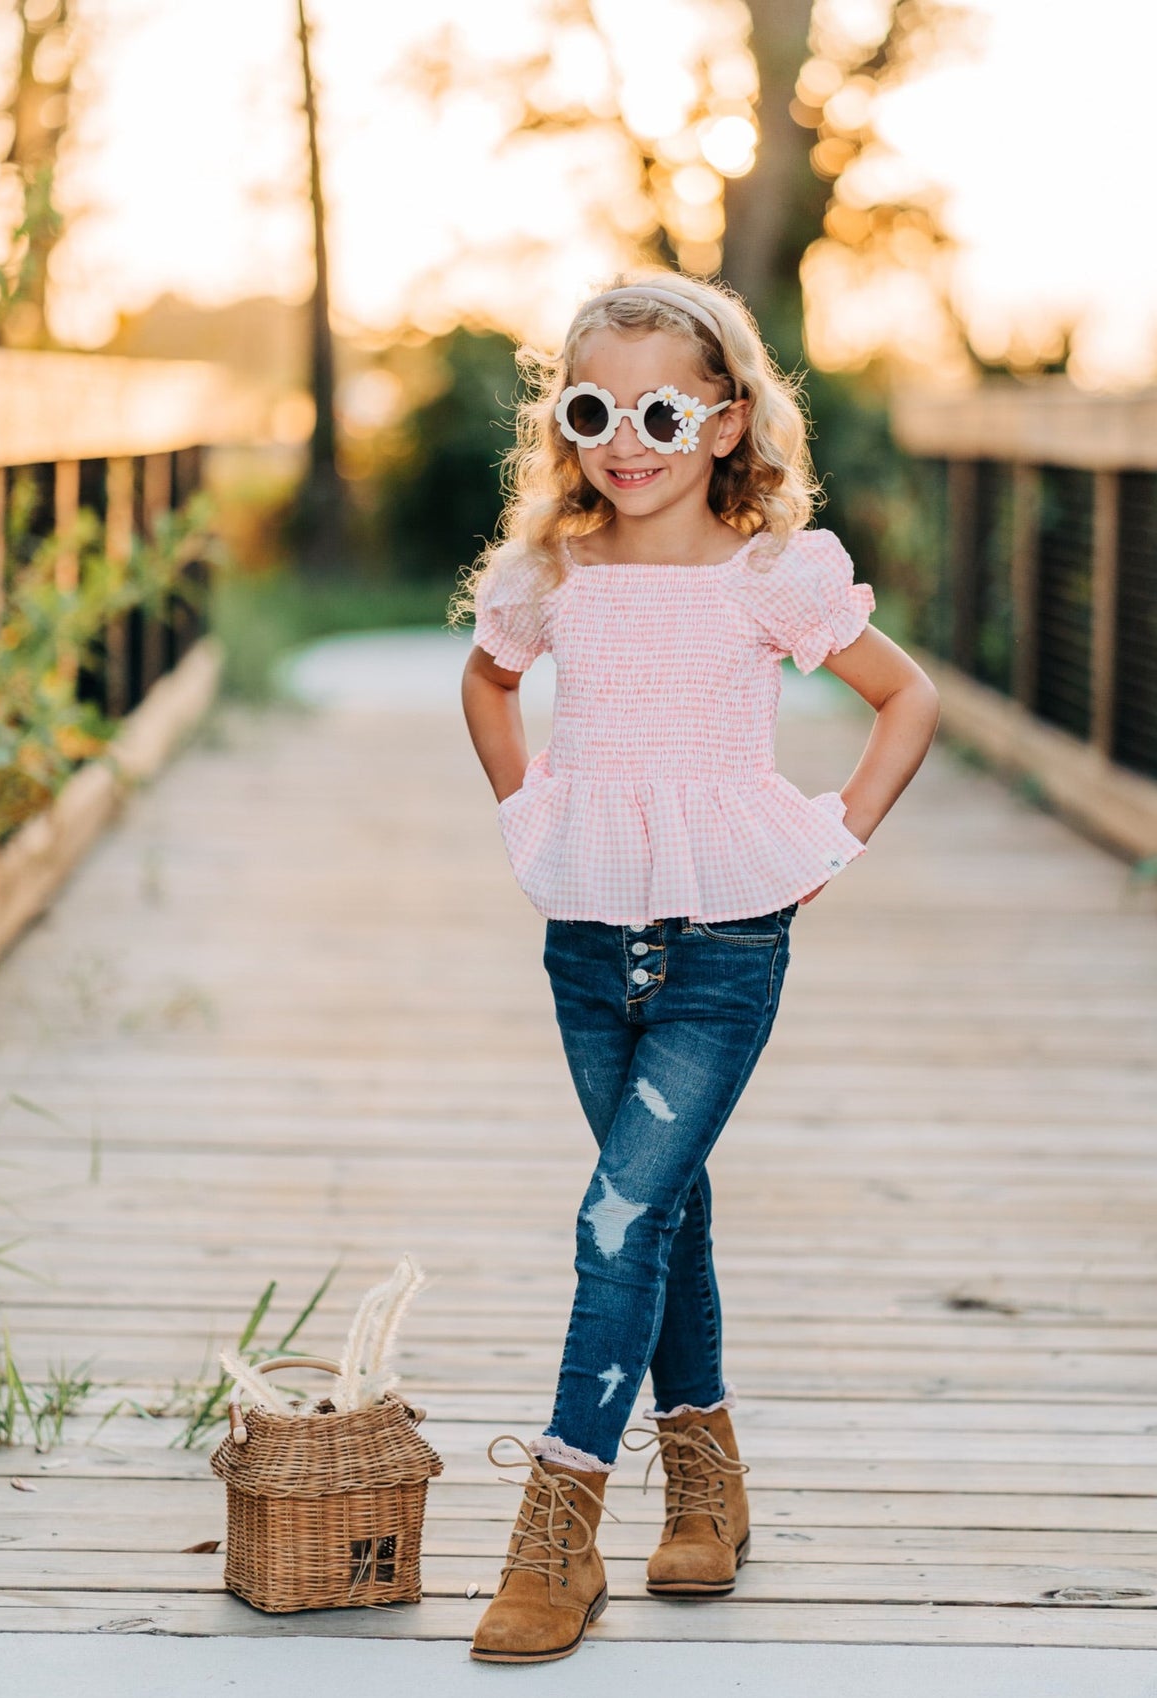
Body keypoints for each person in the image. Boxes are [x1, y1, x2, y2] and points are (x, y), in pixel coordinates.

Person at [454, 272, 940, 1664]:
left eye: (665, 409)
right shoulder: (552, 574)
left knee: (618, 1219)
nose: (629, 439)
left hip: (728, 941)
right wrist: (527, 811)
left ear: (727, 421)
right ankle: (710, 1485)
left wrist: (825, 836)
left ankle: (559, 1531)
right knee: (671, 1211)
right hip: (589, 937)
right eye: (594, 407)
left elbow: (906, 698)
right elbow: (489, 683)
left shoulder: (767, 573)